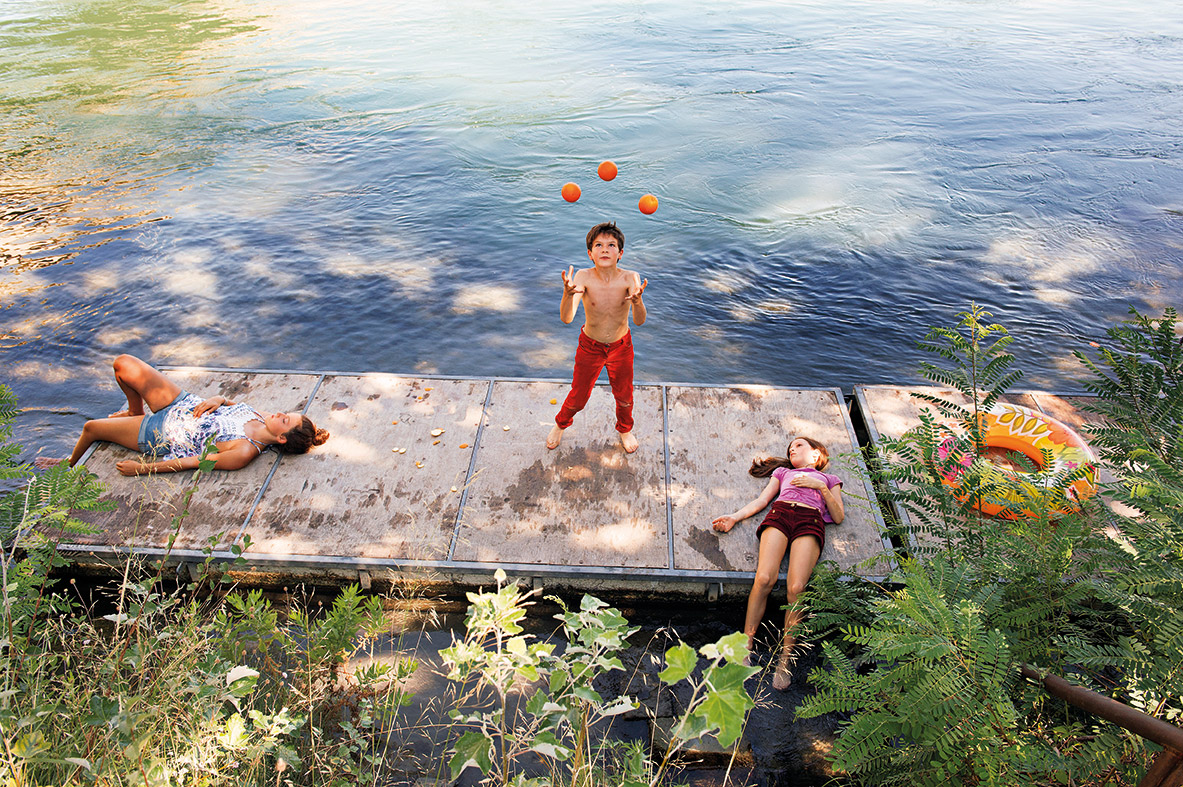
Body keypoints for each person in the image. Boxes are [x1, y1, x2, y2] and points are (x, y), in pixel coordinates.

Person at [34, 354, 329, 475]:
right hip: (182, 403)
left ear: (280, 437)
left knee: (90, 428)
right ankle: (133, 410)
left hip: (160, 433)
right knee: (123, 364)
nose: (280, 413)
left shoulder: (242, 452)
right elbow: (228, 402)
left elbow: (193, 462)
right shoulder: (263, 417)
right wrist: (218, 398)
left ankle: (67, 465)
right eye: (286, 413)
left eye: (285, 419)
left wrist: (144, 469)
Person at [712, 436, 844, 690]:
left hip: (809, 519)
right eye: (790, 448)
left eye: (799, 445)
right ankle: (746, 643)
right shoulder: (783, 473)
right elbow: (762, 501)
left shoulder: (829, 479)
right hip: (781, 514)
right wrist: (734, 518)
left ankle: (784, 659)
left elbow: (838, 516)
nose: (792, 449)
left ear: (816, 455)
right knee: (763, 579)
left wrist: (821, 487)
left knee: (796, 588)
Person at [547, 221, 648, 454]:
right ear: (590, 253)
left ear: (620, 253)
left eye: (611, 245)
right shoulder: (583, 277)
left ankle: (624, 429)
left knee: (624, 396)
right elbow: (567, 318)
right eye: (599, 245)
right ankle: (561, 424)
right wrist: (566, 294)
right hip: (590, 346)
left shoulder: (630, 278)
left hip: (621, 347)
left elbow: (640, 321)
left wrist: (638, 301)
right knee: (578, 397)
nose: (605, 249)